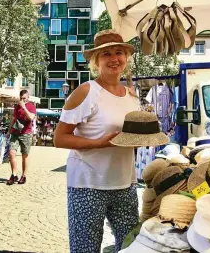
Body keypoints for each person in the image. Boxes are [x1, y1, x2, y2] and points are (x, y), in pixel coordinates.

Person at [54, 29, 139, 253]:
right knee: (86, 249)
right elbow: (59, 138)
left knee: (131, 246)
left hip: (125, 182)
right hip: (88, 184)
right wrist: (99, 143)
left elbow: (131, 136)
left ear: (126, 58)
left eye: (118, 52)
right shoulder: (86, 92)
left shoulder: (131, 95)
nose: (114, 59)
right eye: (106, 54)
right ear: (95, 61)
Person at [6, 90, 36, 185]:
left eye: (24, 98)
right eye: (21, 98)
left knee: (24, 155)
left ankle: (24, 176)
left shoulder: (32, 106)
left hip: (26, 133)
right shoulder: (16, 106)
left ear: (28, 97)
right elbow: (13, 119)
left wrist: (24, 108)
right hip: (15, 132)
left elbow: (31, 117)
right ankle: (14, 174)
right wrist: (9, 131)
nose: (22, 100)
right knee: (11, 153)